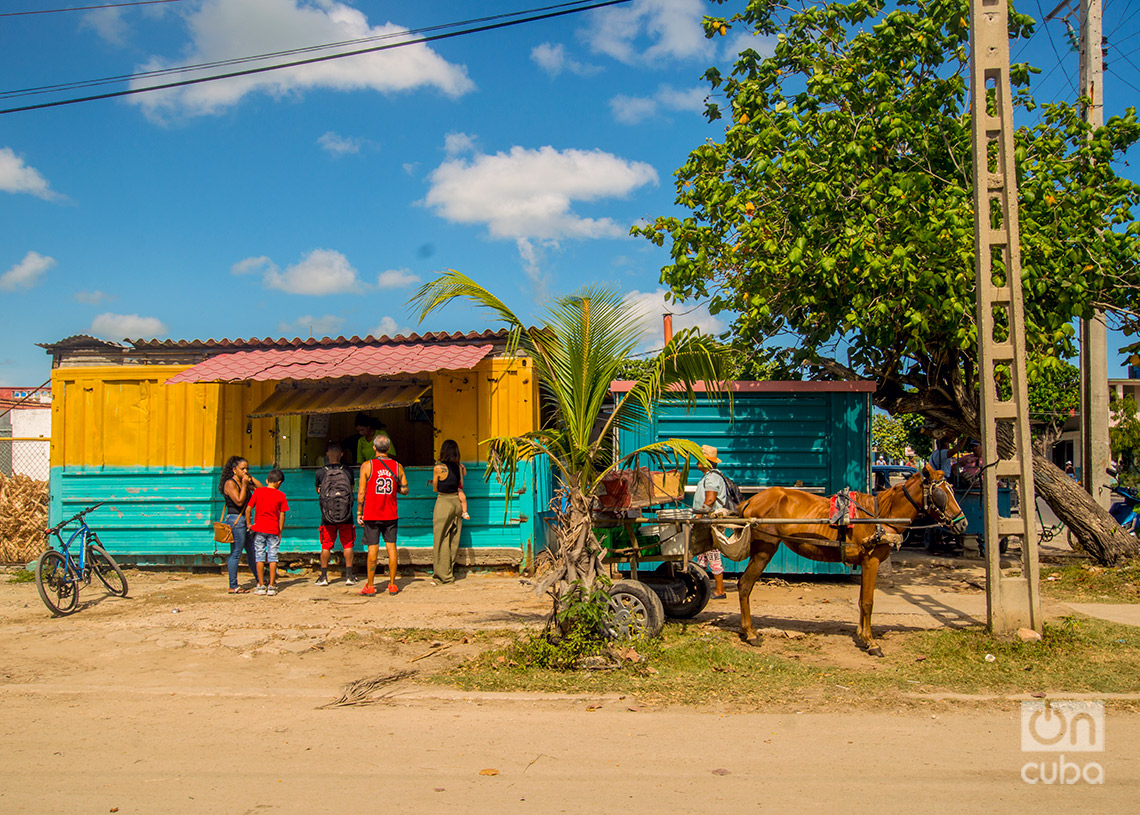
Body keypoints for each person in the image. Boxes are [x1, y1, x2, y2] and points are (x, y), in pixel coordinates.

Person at [357, 434, 408, 596]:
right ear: (388, 448)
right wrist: (396, 488)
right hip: (391, 514)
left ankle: (371, 585)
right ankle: (392, 584)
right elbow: (405, 490)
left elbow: (361, 492)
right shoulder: (397, 466)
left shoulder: (367, 466)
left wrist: (359, 511)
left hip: (371, 514)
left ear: (374, 448)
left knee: (373, 548)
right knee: (391, 547)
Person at [315, 442, 355, 586]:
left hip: (327, 516)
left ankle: (324, 577)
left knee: (326, 546)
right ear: (342, 454)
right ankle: (349, 576)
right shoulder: (348, 471)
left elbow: (318, 491)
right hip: (346, 515)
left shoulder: (320, 472)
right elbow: (351, 489)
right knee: (348, 544)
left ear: (327, 454)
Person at [220, 456, 262, 594]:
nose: (245, 471)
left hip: (245, 521)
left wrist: (249, 477)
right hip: (236, 521)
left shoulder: (242, 480)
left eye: (247, 469)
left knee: (252, 551)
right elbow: (239, 501)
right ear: (234, 470)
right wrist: (244, 485)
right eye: (242, 469)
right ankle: (233, 585)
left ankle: (260, 579)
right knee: (236, 553)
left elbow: (261, 489)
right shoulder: (230, 484)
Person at [692, 444, 729, 600]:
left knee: (712, 554)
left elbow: (710, 500)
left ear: (706, 462)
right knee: (702, 556)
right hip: (706, 521)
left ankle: (720, 590)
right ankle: (699, 588)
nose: (697, 462)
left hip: (710, 521)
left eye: (699, 459)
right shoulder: (709, 477)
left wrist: (698, 517)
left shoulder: (712, 477)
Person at [430, 439, 469, 585]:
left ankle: (442, 577)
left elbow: (436, 488)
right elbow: (460, 485)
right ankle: (449, 572)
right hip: (456, 503)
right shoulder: (458, 467)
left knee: (440, 540)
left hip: (444, 502)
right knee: (453, 539)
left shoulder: (439, 468)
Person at [245, 468, 289, 596]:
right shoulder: (281, 495)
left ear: (267, 480)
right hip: (273, 530)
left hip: (259, 529)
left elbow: (248, 509)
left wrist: (249, 524)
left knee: (259, 557)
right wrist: (280, 530)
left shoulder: (258, 492)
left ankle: (260, 584)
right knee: (273, 557)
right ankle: (272, 585)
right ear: (279, 482)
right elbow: (282, 515)